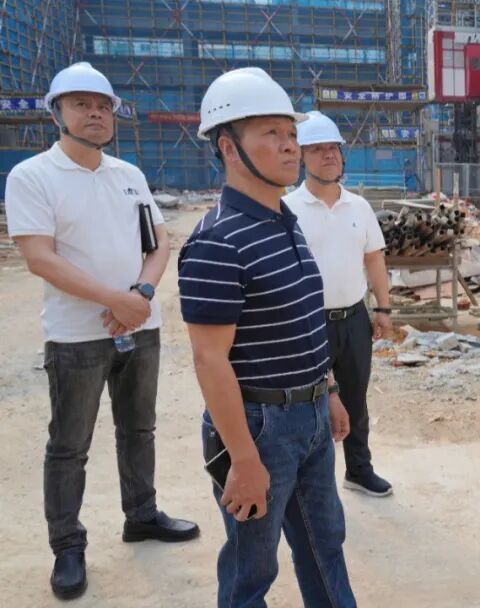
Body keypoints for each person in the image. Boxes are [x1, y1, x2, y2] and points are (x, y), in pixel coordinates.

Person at [5, 61, 198, 601]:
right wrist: (115, 300)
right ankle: (68, 546)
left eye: (103, 105)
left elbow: (159, 243)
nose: (95, 113)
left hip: (141, 326)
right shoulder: (33, 176)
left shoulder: (128, 175)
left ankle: (142, 514)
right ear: (57, 113)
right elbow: (40, 258)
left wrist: (141, 294)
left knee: (139, 430)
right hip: (77, 337)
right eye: (81, 104)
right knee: (70, 445)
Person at [178, 67, 355, 607]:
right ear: (229, 147)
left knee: (325, 548)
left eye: (291, 133)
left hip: (310, 416)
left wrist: (328, 389)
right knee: (251, 568)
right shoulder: (216, 242)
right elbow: (210, 360)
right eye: (271, 134)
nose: (289, 146)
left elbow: (302, 320)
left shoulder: (284, 221)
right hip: (259, 427)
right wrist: (243, 459)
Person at [284, 111, 395, 497]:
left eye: (333, 148)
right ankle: (309, 482)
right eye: (317, 149)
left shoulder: (358, 207)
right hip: (307, 322)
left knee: (355, 398)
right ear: (301, 156)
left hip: (353, 319)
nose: (329, 155)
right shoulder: (288, 209)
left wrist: (383, 308)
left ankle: (359, 470)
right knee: (308, 403)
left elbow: (374, 258)